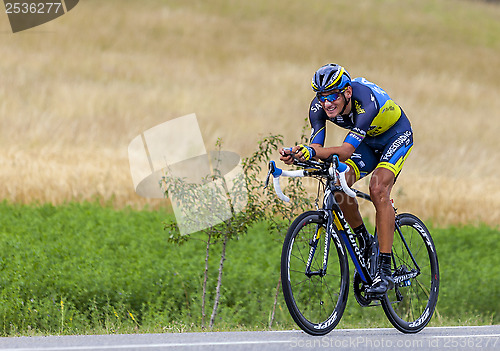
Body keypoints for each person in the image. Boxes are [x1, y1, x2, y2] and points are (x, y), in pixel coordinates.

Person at [279, 63, 413, 295]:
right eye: (322, 96)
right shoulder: (318, 108)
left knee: (378, 188)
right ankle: (364, 240)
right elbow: (316, 147)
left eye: (332, 95)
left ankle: (385, 268)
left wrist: (311, 152)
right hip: (368, 143)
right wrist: (298, 155)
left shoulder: (365, 102)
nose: (327, 102)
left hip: (395, 136)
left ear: (347, 92)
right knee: (338, 181)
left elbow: (346, 151)